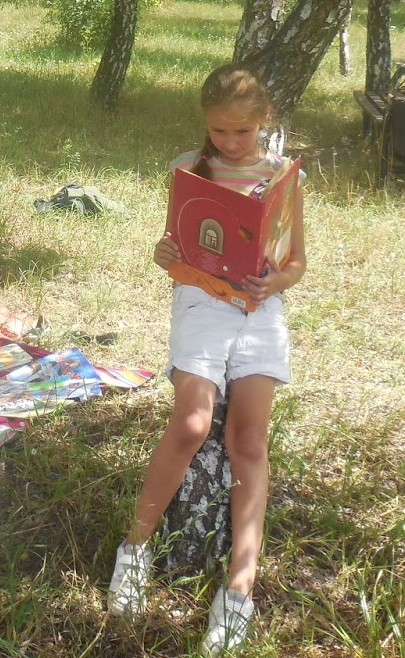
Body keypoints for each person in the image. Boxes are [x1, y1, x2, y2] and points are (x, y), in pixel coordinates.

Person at [107, 64, 306, 655]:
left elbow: (297, 262)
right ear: (205, 122)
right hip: (200, 301)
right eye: (220, 130)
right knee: (192, 423)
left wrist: (275, 281)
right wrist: (164, 252)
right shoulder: (189, 170)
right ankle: (134, 549)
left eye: (242, 131)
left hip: (259, 309)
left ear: (263, 121)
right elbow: (176, 253)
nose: (231, 142)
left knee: (251, 442)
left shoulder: (282, 177)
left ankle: (239, 588)